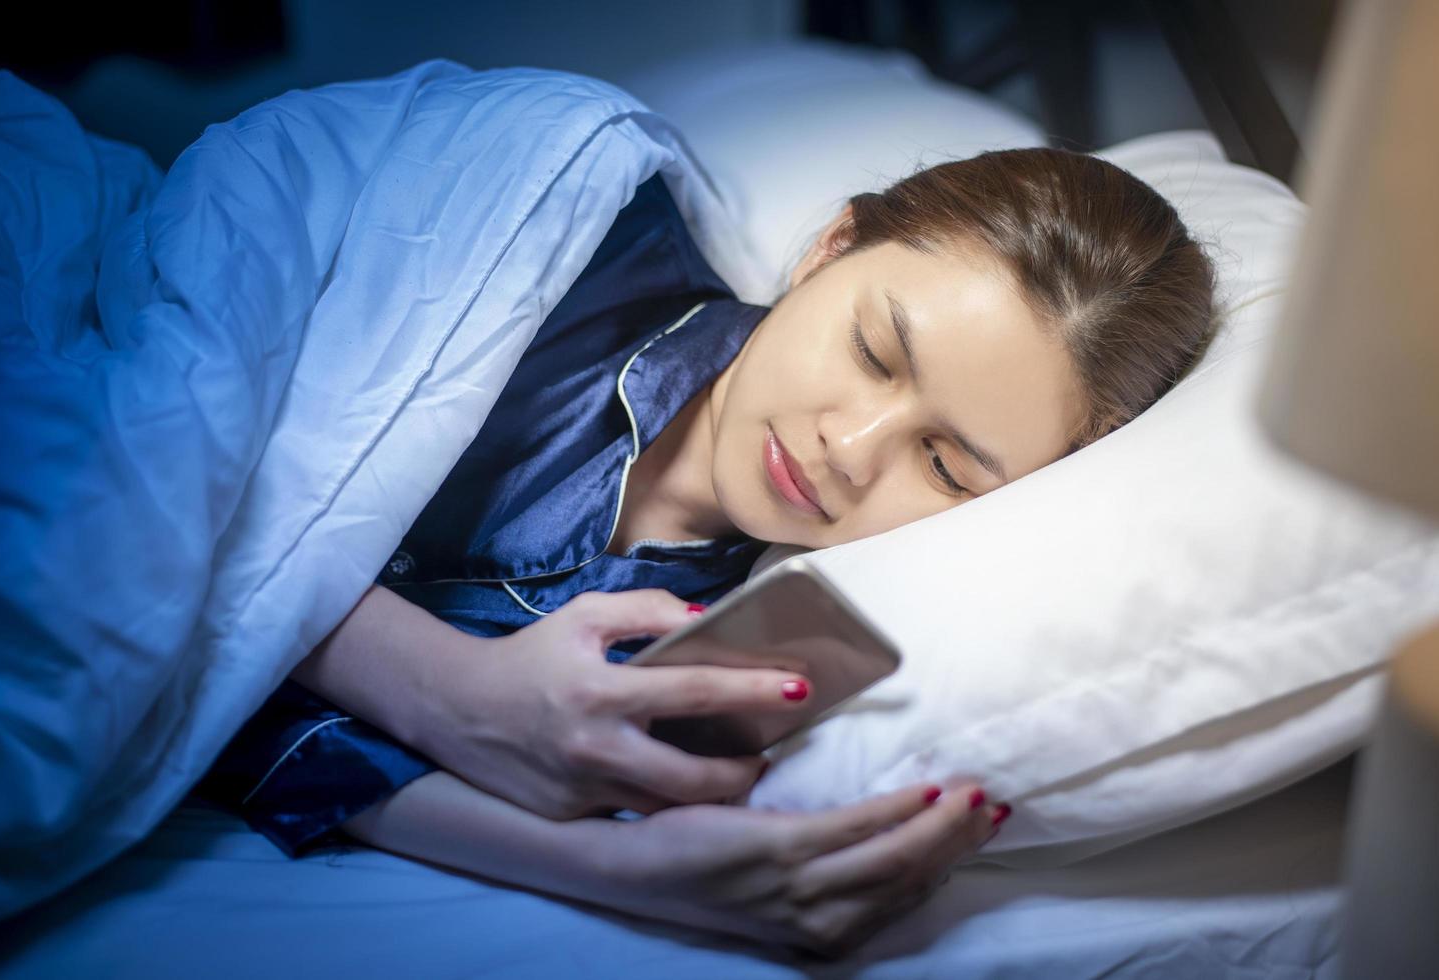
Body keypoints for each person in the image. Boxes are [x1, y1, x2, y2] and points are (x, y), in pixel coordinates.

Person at [197, 147, 1215, 955]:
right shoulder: (559, 248)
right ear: (830, 248)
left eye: (946, 466)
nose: (849, 451)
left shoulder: (717, 650)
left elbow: (251, 726)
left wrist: (624, 867)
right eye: (872, 351)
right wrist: (452, 685)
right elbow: (184, 498)